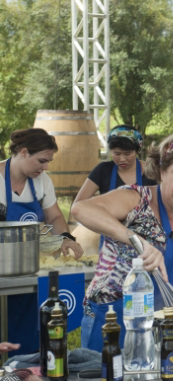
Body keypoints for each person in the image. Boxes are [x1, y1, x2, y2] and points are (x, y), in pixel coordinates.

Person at [72, 131, 173, 352]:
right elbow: (80, 208)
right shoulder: (136, 200)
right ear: (162, 171)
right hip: (115, 327)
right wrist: (135, 239)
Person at [0, 128, 84, 355]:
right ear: (24, 152)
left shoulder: (42, 182)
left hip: (28, 267)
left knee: (28, 331)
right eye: (42, 160)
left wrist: (66, 238)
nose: (46, 167)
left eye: (48, 161)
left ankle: (26, 367)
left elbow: (54, 216)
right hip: (2, 268)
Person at [72, 125, 157, 252]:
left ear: (137, 151)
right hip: (111, 244)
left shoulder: (151, 172)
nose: (122, 159)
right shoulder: (102, 170)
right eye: (116, 154)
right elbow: (78, 205)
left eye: (127, 154)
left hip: (148, 244)